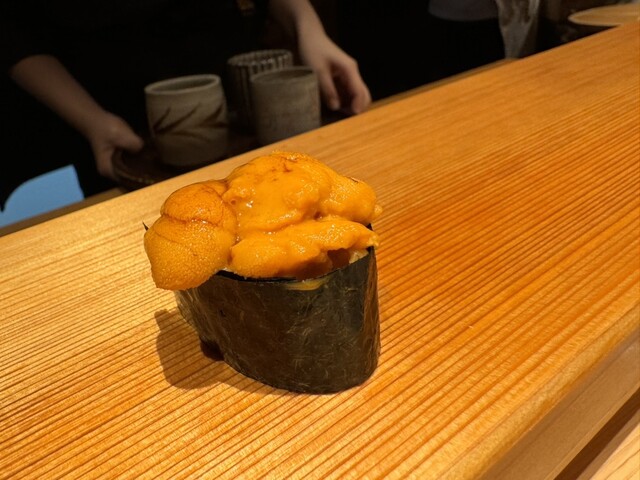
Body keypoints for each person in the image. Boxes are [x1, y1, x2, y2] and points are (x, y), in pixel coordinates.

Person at [0, 0, 371, 209]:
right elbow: (11, 29)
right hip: (116, 120)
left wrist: (307, 26)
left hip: (235, 99)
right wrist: (91, 121)